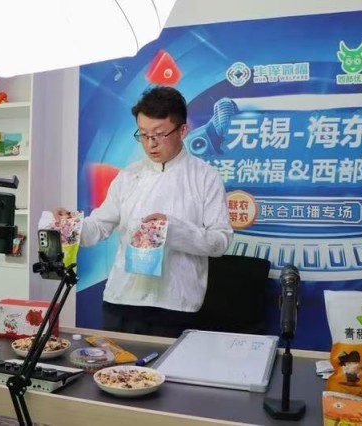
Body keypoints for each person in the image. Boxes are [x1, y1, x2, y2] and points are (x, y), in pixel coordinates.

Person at [54, 86, 232, 338]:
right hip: (121, 300)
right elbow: (98, 227)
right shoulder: (128, 176)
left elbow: (220, 241)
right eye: (144, 134)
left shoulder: (205, 177)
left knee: (168, 364)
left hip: (176, 304)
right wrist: (70, 226)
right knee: (116, 363)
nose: (150, 144)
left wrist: (173, 230)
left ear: (182, 130)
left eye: (159, 134)